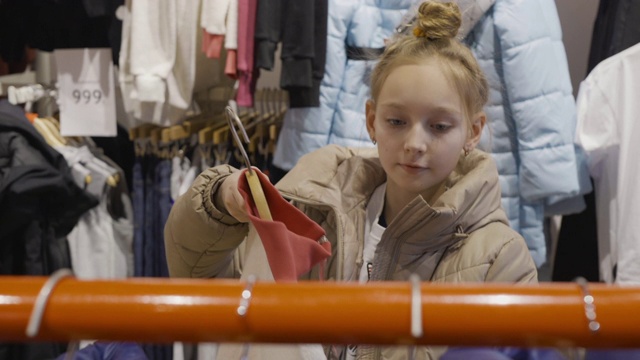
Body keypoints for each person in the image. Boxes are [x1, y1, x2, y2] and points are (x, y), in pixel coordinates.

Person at [164, 1, 537, 358]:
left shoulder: (499, 258)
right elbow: (203, 280)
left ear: (473, 132)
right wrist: (217, 202)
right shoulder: (313, 208)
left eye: (439, 126)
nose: (414, 144)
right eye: (396, 122)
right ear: (372, 120)